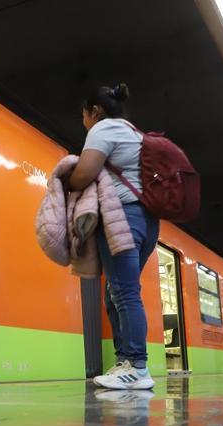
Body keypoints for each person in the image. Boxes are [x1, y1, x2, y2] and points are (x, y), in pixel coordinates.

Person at [67, 83, 158, 390]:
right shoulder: (133, 131)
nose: (84, 121)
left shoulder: (102, 129)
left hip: (123, 217)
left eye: (84, 114)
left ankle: (137, 365)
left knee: (124, 292)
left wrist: (65, 179)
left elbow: (84, 173)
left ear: (94, 111)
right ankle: (128, 362)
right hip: (146, 220)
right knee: (116, 292)